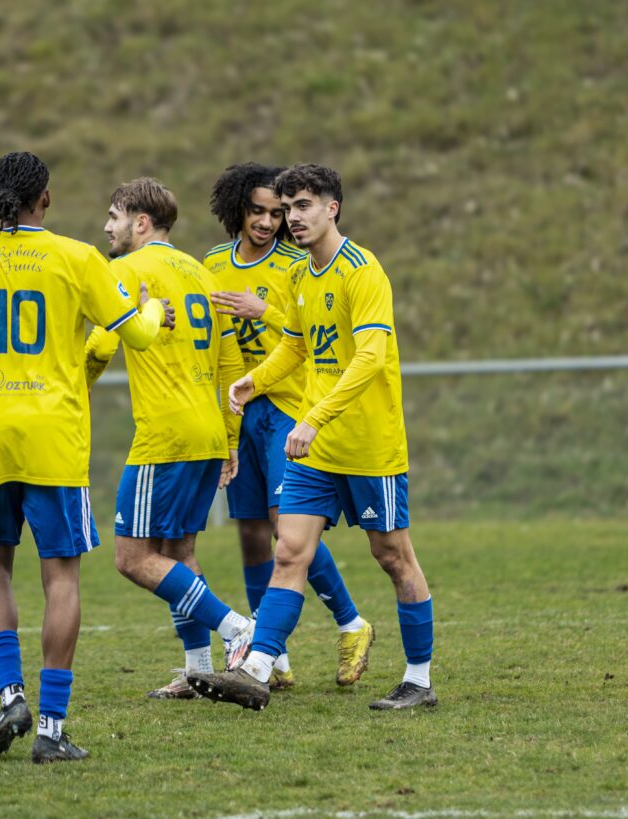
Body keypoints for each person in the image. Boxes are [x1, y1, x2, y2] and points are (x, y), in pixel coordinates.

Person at [0, 152, 172, 763]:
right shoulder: (78, 257)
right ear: (45, 198)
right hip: (54, 441)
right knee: (61, 576)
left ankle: (10, 696)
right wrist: (153, 308)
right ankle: (50, 728)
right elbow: (141, 336)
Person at [188, 163, 437, 712]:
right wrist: (255, 381)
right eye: (287, 208)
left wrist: (314, 417)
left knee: (393, 556)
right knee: (289, 551)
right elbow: (296, 346)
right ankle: (257, 669)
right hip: (315, 448)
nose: (291, 218)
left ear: (332, 208)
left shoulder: (363, 272)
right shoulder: (301, 275)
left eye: (302, 206)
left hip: (367, 446)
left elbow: (370, 358)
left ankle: (419, 680)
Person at [84, 177, 255, 699]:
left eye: (113, 216)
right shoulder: (201, 273)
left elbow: (100, 344)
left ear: (140, 222)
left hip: (166, 435)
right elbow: (231, 363)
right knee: (178, 552)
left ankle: (238, 629)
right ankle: (197, 671)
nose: (106, 227)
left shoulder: (125, 269)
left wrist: (72, 389)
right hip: (206, 430)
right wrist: (230, 438)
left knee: (132, 557)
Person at [205, 163, 374, 690]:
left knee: (288, 527)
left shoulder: (297, 263)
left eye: (276, 214)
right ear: (237, 209)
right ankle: (271, 656)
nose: (267, 222)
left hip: (290, 408)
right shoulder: (212, 264)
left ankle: (349, 622)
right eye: (258, 211)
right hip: (242, 409)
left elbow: (304, 341)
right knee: (252, 533)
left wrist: (264, 311)